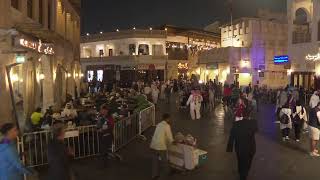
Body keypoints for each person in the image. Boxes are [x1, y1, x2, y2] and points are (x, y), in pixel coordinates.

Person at [227, 98, 257, 180]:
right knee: (248, 162)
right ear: (249, 115)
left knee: (240, 161)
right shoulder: (253, 123)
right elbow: (256, 130)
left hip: (239, 147)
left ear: (242, 115)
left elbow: (231, 136)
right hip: (251, 148)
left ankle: (241, 173)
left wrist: (229, 148)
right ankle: (245, 173)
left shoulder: (236, 124)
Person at [150, 113, 174, 179]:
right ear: (168, 118)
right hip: (161, 146)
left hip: (154, 145)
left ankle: (154, 175)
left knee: (155, 160)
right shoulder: (167, 126)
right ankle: (168, 172)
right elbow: (169, 137)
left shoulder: (159, 124)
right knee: (164, 160)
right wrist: (173, 142)